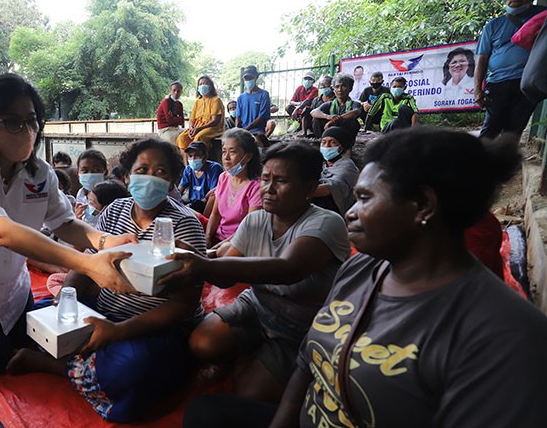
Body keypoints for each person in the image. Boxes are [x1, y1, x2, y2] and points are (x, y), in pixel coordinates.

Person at [182, 128, 547, 428]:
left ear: (423, 205)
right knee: (203, 413)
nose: (350, 213)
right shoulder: (363, 269)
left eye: (364, 198)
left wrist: (206, 267)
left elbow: (288, 270)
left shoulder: (506, 336)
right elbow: (308, 359)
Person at [0, 73, 137, 374]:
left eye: (31, 121)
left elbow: (64, 222)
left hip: (11, 285)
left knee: (35, 340)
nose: (27, 131)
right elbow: (0, 231)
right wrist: (87, 265)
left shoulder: (38, 172)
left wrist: (103, 241)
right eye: (12, 121)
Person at [6, 138, 206, 423]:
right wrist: (64, 301)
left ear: (173, 179)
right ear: (127, 176)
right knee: (31, 319)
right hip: (102, 311)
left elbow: (183, 306)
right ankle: (81, 356)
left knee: (129, 369)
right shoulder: (114, 212)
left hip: (154, 330)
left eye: (161, 172)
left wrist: (118, 331)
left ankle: (54, 364)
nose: (150, 178)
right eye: (143, 169)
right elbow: (87, 265)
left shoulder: (185, 224)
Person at [161, 142, 350, 403]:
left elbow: (289, 269)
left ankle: (257, 356)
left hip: (301, 325)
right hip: (258, 305)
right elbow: (225, 269)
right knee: (202, 344)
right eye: (265, 179)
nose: (269, 189)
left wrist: (203, 264)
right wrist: (194, 259)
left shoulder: (326, 222)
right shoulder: (256, 220)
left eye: (281, 181)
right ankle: (250, 349)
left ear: (309, 188)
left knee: (250, 394)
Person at [475, 0, 545, 139]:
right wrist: (478, 89)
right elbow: (482, 59)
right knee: (490, 129)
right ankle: (478, 164)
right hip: (498, 83)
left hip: (527, 83)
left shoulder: (543, 17)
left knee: (513, 131)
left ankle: (505, 164)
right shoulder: (493, 25)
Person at [207, 128, 262, 257]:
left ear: (248, 156)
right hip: (218, 236)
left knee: (223, 251)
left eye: (232, 152)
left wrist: (216, 248)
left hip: (239, 241)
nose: (226, 157)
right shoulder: (223, 177)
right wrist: (207, 238)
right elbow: (215, 214)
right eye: (224, 151)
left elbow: (250, 229)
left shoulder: (256, 186)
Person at [310, 127, 359, 216]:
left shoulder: (347, 166)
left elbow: (331, 188)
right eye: (323, 142)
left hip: (335, 212)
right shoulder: (323, 164)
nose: (326, 146)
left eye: (332, 142)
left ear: (341, 147)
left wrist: (296, 192)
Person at [176, 75, 225, 151]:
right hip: (197, 127)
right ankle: (186, 162)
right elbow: (192, 119)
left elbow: (215, 121)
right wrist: (191, 128)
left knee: (198, 137)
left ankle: (200, 159)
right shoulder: (198, 102)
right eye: (200, 84)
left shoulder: (216, 100)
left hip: (212, 128)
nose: (202, 86)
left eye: (205, 83)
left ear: (210, 86)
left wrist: (199, 129)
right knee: (182, 138)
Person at [310, 73, 362, 140]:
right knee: (316, 119)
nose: (340, 90)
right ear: (334, 89)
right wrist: (328, 116)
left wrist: (333, 121)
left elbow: (355, 112)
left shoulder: (354, 103)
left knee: (353, 122)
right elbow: (313, 112)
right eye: (337, 87)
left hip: (343, 134)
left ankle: (347, 146)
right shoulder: (330, 104)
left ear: (350, 88)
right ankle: (322, 141)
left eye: (344, 86)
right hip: (328, 132)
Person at [178, 141, 224, 215]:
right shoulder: (189, 170)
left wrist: (192, 207)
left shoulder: (214, 169)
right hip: (192, 203)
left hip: (206, 205)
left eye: (197, 156)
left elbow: (212, 196)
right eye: (190, 156)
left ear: (205, 156)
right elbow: (179, 190)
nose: (193, 159)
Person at [236, 65, 274, 137]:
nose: (248, 80)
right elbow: (238, 117)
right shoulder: (240, 97)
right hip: (243, 130)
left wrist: (246, 129)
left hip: (258, 130)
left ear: (256, 77)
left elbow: (261, 116)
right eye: (246, 78)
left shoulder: (264, 94)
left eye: (250, 78)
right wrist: (237, 130)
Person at [74, 149, 108, 226]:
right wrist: (77, 219)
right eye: (85, 171)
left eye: (96, 170)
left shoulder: (112, 194)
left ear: (106, 172)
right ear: (78, 172)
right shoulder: (80, 194)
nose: (90, 174)